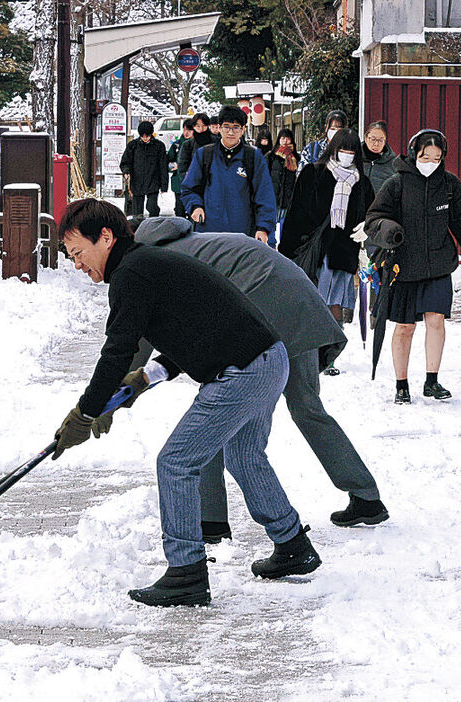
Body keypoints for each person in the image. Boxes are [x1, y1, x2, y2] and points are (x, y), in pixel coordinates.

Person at [53, 198, 321, 607]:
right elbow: (193, 332)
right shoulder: (146, 264)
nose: (77, 265)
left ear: (105, 237)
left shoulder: (132, 273)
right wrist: (144, 378)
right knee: (245, 455)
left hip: (245, 369)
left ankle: (186, 572)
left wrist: (85, 412)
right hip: (267, 358)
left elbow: (117, 350)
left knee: (176, 462)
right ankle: (292, 545)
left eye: (78, 254)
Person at [132, 216, 389, 533]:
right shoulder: (204, 243)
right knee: (308, 407)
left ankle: (210, 519)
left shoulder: (158, 263)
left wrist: (118, 391)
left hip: (263, 313)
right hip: (300, 307)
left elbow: (137, 339)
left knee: (213, 410)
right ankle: (366, 497)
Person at [364, 129, 461, 403]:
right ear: (414, 154)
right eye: (426, 157)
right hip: (404, 267)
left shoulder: (449, 185)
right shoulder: (397, 184)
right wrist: (387, 229)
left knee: (436, 321)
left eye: (436, 158)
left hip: (438, 265)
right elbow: (374, 218)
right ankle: (401, 384)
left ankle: (432, 381)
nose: (430, 163)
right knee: (405, 327)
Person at [280, 129, 375, 375]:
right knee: (313, 301)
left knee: (336, 303)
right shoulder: (313, 173)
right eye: (342, 150)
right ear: (332, 149)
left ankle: (329, 355)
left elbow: (372, 215)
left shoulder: (362, 183)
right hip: (313, 248)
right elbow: (295, 212)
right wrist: (287, 249)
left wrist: (367, 229)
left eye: (352, 152)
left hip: (343, 249)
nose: (346, 156)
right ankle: (307, 352)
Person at [179, 105, 277, 245]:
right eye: (226, 126)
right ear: (219, 128)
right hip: (208, 234)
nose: (231, 132)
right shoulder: (204, 154)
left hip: (243, 235)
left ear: (243, 130)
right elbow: (188, 188)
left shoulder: (253, 157)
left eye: (236, 127)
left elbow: (265, 195)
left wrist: (263, 227)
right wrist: (195, 206)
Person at [119, 121, 168, 218]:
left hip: (153, 181)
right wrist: (126, 171)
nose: (145, 138)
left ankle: (153, 225)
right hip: (137, 181)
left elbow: (163, 166)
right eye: (143, 136)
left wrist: (164, 186)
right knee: (137, 211)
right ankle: (137, 229)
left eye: (147, 136)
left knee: (152, 207)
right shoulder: (133, 145)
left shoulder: (159, 146)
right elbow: (125, 162)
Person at [267, 128, 299, 247]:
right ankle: (271, 246)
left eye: (287, 138)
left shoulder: (296, 158)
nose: (285, 141)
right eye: (282, 138)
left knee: (285, 225)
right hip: (273, 196)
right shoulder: (271, 157)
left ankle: (283, 248)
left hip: (288, 197)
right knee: (271, 224)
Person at [362, 121, 399, 193]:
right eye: (373, 139)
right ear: (366, 138)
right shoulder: (355, 158)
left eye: (380, 140)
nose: (376, 144)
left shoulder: (393, 163)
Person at [167, 118, 193, 218]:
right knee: (179, 210)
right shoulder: (176, 145)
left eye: (189, 130)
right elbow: (168, 161)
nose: (186, 133)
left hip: (193, 183)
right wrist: (172, 166)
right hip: (178, 182)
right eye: (185, 129)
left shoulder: (197, 145)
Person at [176, 112, 213, 180]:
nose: (201, 129)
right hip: (195, 182)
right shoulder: (187, 145)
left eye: (204, 126)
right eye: (198, 126)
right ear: (193, 127)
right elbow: (182, 167)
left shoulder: (216, 142)